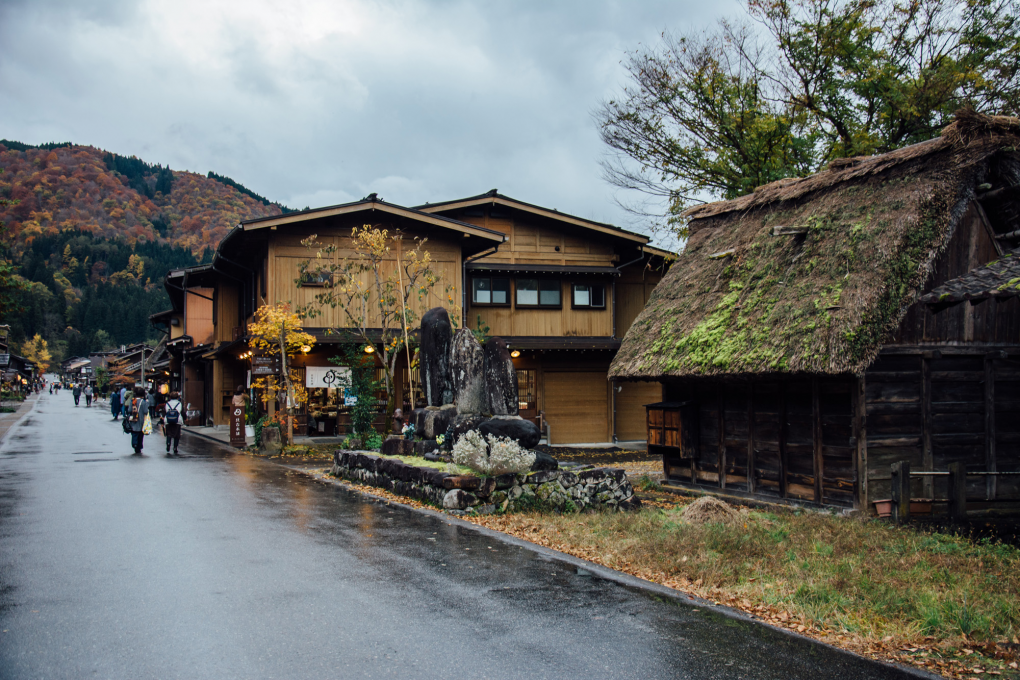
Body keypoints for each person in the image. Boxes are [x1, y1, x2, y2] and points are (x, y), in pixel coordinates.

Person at [128, 386, 149, 455]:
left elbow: (129, 410)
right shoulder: (143, 402)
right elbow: (146, 411)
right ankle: (139, 446)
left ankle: (134, 444)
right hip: (141, 420)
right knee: (140, 434)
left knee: (134, 433)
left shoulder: (133, 401)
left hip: (134, 419)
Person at [162, 390, 183, 457]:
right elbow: (182, 412)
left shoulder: (167, 404)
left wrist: (162, 419)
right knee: (177, 434)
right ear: (178, 397)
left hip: (168, 420)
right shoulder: (179, 404)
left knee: (169, 433)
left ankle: (168, 444)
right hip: (177, 420)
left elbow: (164, 412)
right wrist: (185, 418)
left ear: (170, 397)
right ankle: (175, 447)